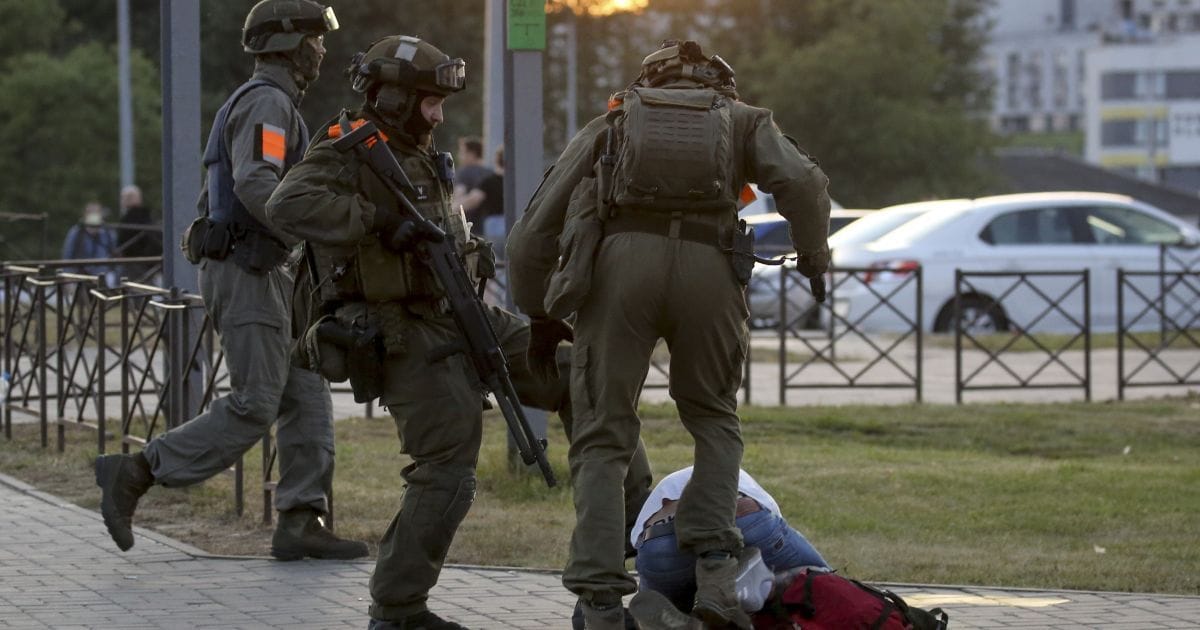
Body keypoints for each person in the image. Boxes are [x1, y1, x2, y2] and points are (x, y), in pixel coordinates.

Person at [265, 34, 652, 630]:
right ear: (392, 98)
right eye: (429, 102)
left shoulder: (415, 151)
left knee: (584, 372)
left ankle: (632, 536)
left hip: (462, 311)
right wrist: (376, 220)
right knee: (448, 468)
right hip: (400, 331)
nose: (440, 115)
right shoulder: (347, 150)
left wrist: (475, 254)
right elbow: (286, 205)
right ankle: (398, 609)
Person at [508, 40, 831, 629]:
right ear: (718, 87)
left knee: (604, 433)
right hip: (710, 270)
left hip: (618, 271)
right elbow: (804, 184)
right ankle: (715, 575)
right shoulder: (743, 121)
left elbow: (534, 227)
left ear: (649, 83)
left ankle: (601, 599)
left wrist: (539, 310)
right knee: (712, 418)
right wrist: (813, 255)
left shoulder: (613, 122)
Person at [92, 0, 367, 562]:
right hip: (247, 269)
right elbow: (257, 183)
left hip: (270, 271)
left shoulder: (278, 102)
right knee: (255, 402)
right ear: (288, 45)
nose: (321, 49)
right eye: (315, 39)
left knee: (306, 394)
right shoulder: (267, 102)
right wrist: (319, 228)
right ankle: (138, 470)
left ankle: (299, 519)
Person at [632, 467, 828, 614]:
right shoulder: (737, 472)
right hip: (740, 516)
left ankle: (686, 609)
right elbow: (772, 523)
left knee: (661, 606)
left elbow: (640, 549)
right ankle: (757, 584)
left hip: (659, 540)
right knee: (818, 576)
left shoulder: (665, 488)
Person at [459, 146, 506, 253]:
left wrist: (454, 207)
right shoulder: (518, 180)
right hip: (516, 223)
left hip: (495, 225)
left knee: (496, 258)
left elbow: (473, 200)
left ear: (497, 160)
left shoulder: (489, 181)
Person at [62, 201, 117, 283]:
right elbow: (67, 256)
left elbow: (116, 256)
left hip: (104, 276)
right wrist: (68, 277)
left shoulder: (109, 233)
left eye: (96, 212)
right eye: (91, 213)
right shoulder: (76, 233)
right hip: (80, 275)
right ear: (85, 215)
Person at [115, 185, 163, 280]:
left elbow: (124, 241)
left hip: (135, 264)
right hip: (150, 264)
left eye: (123, 198)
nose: (121, 201)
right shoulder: (147, 216)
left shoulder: (129, 219)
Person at [452, 136, 492, 204]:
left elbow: (459, 194)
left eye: (462, 152)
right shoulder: (490, 172)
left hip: (468, 213)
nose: (459, 156)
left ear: (471, 154)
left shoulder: (464, 172)